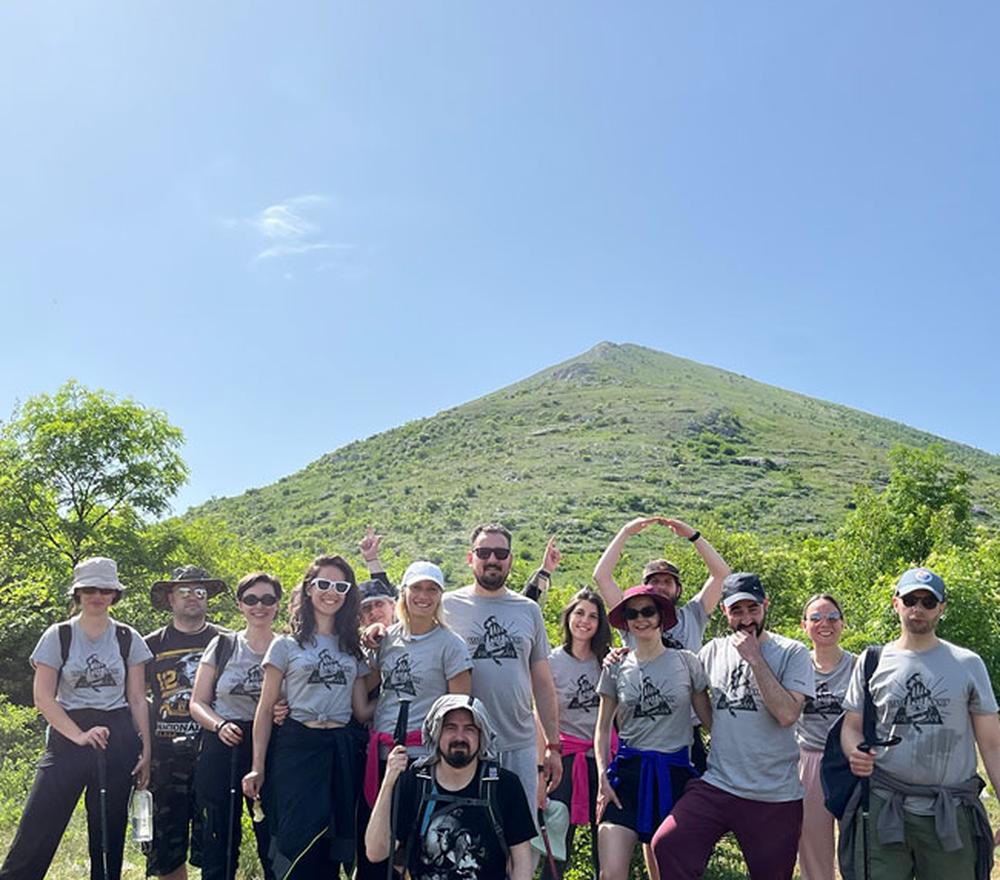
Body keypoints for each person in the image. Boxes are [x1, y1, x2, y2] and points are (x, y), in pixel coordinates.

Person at [652, 572, 815, 880]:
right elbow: (689, 689)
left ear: (765, 605)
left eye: (753, 608)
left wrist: (755, 659)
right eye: (736, 611)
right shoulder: (712, 651)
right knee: (669, 843)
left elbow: (787, 714)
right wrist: (625, 657)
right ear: (724, 612)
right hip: (718, 784)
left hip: (773, 794)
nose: (746, 619)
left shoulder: (792, 652)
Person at [840, 567, 1000, 880]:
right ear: (896, 603)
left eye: (928, 602)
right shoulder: (871, 661)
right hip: (885, 805)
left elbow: (992, 743)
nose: (918, 608)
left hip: (951, 810)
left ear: (941, 608)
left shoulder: (968, 663)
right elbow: (851, 726)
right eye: (911, 599)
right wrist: (854, 751)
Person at [0, 557, 153, 880]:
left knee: (108, 833)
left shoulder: (128, 638)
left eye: (105, 590)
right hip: (68, 733)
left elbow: (138, 698)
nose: (97, 596)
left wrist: (146, 751)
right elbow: (43, 697)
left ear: (115, 594)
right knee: (38, 826)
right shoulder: (59, 635)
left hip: (117, 735)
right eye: (90, 589)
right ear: (78, 593)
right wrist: (79, 735)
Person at [242, 554, 373, 878]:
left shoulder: (352, 647)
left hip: (341, 751)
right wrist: (257, 766)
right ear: (309, 588)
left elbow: (361, 710)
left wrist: (401, 683)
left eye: (341, 586)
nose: (332, 592)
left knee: (332, 844)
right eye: (323, 584)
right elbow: (265, 708)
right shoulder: (285, 645)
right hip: (296, 748)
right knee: (297, 839)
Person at [357, 560, 473, 879]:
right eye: (417, 588)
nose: (423, 596)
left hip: (424, 760)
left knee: (414, 851)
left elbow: (460, 710)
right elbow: (365, 689)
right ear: (403, 593)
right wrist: (360, 644)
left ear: (440, 596)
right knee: (375, 847)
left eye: (432, 589)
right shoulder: (387, 640)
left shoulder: (451, 645)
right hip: (382, 757)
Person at [442, 524, 563, 818]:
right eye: (484, 552)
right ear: (470, 557)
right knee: (463, 833)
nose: (492, 559)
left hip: (518, 744)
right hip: (462, 744)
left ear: (510, 559)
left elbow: (543, 683)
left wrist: (553, 745)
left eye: (500, 553)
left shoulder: (528, 610)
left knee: (519, 833)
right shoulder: (446, 606)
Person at [595, 585, 711, 880]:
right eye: (632, 614)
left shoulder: (687, 662)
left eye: (648, 611)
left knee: (671, 871)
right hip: (627, 774)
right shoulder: (616, 666)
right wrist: (602, 777)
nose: (640, 619)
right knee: (610, 873)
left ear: (661, 616)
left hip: (675, 774)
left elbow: (711, 722)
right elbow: (602, 727)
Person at [365, 694, 537, 880]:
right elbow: (376, 852)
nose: (459, 737)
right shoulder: (415, 782)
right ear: (436, 733)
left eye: (469, 729)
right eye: (450, 728)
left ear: (482, 736)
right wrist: (389, 781)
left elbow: (521, 860)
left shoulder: (505, 785)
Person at [189, 572, 283, 880]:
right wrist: (219, 726)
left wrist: (286, 709)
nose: (260, 606)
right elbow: (197, 702)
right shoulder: (223, 645)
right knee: (219, 836)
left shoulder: (288, 646)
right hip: (223, 744)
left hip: (273, 745)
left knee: (273, 836)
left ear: (277, 604)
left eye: (267, 599)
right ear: (240, 604)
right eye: (251, 599)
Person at [144, 565, 228, 880]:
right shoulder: (150, 644)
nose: (192, 597)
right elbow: (135, 698)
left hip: (214, 751)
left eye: (200, 591)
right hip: (164, 756)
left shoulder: (227, 641)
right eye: (184, 591)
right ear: (170, 598)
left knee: (216, 840)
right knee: (166, 845)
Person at [534, 588, 613, 880]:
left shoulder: (608, 661)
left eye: (593, 616)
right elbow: (539, 713)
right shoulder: (550, 661)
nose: (585, 621)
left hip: (603, 758)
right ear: (568, 617)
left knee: (604, 840)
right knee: (558, 840)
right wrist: (544, 758)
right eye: (579, 613)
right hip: (563, 758)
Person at [593, 516, 731, 654]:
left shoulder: (693, 615)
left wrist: (693, 535)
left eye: (668, 582)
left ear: (678, 589)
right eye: (655, 581)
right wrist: (625, 532)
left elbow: (722, 575)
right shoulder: (633, 616)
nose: (661, 587)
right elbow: (601, 576)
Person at [795, 594, 855, 880]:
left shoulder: (860, 666)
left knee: (858, 844)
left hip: (850, 762)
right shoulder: (795, 665)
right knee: (812, 847)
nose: (825, 624)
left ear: (843, 623)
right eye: (816, 618)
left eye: (832, 617)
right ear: (804, 625)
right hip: (808, 760)